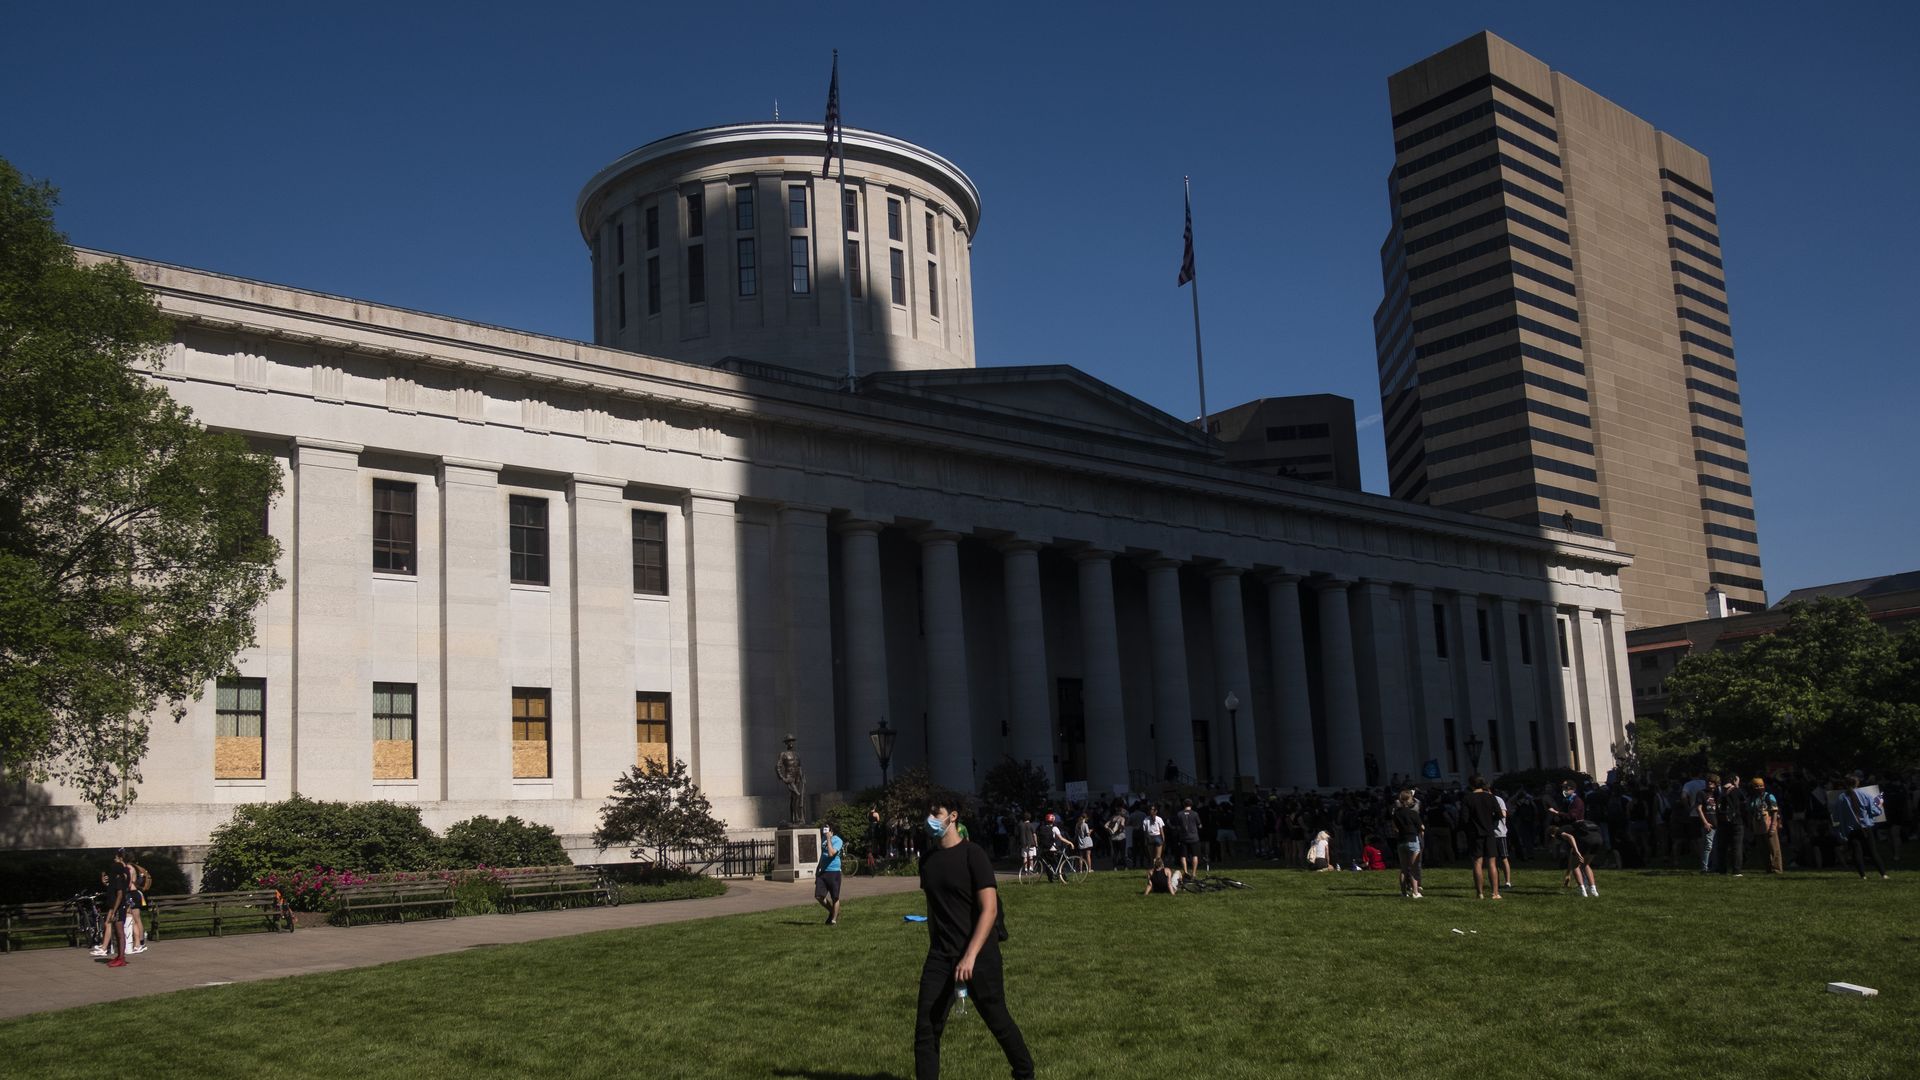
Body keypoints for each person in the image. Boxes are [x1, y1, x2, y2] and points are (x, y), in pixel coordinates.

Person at [915, 798, 1034, 1080]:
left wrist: (969, 955)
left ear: (952, 816)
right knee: (926, 1028)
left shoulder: (973, 854)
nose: (930, 819)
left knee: (997, 1019)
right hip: (941, 956)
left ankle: (1025, 1072)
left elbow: (989, 909)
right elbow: (934, 909)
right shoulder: (928, 861)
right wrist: (938, 949)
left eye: (936, 813)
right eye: (927, 814)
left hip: (979, 955)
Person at [1829, 778, 1889, 880]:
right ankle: (1883, 874)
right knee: (1873, 851)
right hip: (1866, 827)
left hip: (1851, 829)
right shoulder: (1865, 794)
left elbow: (1835, 817)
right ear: (1858, 783)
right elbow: (1875, 811)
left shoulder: (1841, 798)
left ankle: (1863, 876)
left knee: (1856, 852)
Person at [1462, 776, 1503, 900]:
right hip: (1489, 832)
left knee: (1477, 862)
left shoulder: (1468, 798)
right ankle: (1495, 892)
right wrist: (1490, 822)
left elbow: (1464, 818)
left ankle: (1479, 893)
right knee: (1492, 863)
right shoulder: (1490, 797)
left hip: (1475, 833)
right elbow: (1500, 814)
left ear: (1471, 785)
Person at [1392, 789, 1424, 899]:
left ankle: (1403, 892)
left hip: (1401, 841)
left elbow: (1395, 828)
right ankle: (1415, 892)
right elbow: (1421, 827)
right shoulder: (1413, 813)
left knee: (1404, 869)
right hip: (1412, 839)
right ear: (1408, 799)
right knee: (1414, 868)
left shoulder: (1396, 814)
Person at [101, 851, 131, 967]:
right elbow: (114, 889)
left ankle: (121, 958)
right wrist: (105, 882)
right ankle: (119, 956)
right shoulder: (120, 876)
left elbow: (119, 894)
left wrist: (114, 910)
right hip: (117, 906)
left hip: (119, 907)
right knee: (116, 932)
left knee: (119, 933)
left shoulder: (119, 878)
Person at [1750, 778, 1783, 874]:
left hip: (1768, 824)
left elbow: (1775, 811)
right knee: (1762, 849)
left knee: (1774, 848)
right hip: (1758, 826)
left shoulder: (1769, 796)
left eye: (1760, 785)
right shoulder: (1753, 798)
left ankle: (1777, 869)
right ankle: (1768, 869)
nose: (1758, 787)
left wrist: (1773, 826)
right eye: (1756, 786)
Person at [1719, 774, 1747, 877]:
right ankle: (1736, 870)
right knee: (1737, 846)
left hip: (1723, 820)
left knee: (1723, 846)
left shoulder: (1720, 791)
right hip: (1736, 821)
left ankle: (1722, 868)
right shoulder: (1737, 791)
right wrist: (1737, 785)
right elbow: (1744, 802)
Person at [816, 822, 844, 925]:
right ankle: (832, 911)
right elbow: (823, 855)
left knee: (835, 897)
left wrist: (829, 839)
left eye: (826, 829)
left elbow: (831, 853)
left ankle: (833, 920)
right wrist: (818, 867)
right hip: (823, 872)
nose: (824, 831)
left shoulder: (838, 840)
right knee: (819, 896)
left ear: (832, 831)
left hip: (834, 872)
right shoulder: (823, 839)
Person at [1695, 773, 1721, 873]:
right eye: (1708, 782)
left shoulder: (1718, 793)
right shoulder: (1702, 793)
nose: (1709, 783)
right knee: (1708, 846)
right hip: (1709, 822)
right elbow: (1699, 808)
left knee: (1716, 846)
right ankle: (1705, 867)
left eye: (1712, 782)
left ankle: (1715, 866)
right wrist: (1705, 822)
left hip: (1718, 822)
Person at [1173, 799, 1203, 879]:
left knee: (1183, 856)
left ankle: (1185, 872)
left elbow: (1177, 826)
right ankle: (1193, 873)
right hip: (1194, 838)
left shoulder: (1179, 814)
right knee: (1195, 855)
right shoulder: (1195, 814)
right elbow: (1199, 825)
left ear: (1184, 805)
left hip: (1183, 837)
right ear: (1191, 805)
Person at [1103, 804, 1128, 871]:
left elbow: (1105, 825)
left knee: (1115, 853)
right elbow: (1122, 825)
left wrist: (1110, 829)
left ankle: (1115, 867)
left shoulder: (1112, 818)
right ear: (1120, 812)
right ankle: (1125, 867)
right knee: (1123, 853)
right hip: (1121, 837)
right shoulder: (1122, 818)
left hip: (1113, 838)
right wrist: (1121, 828)